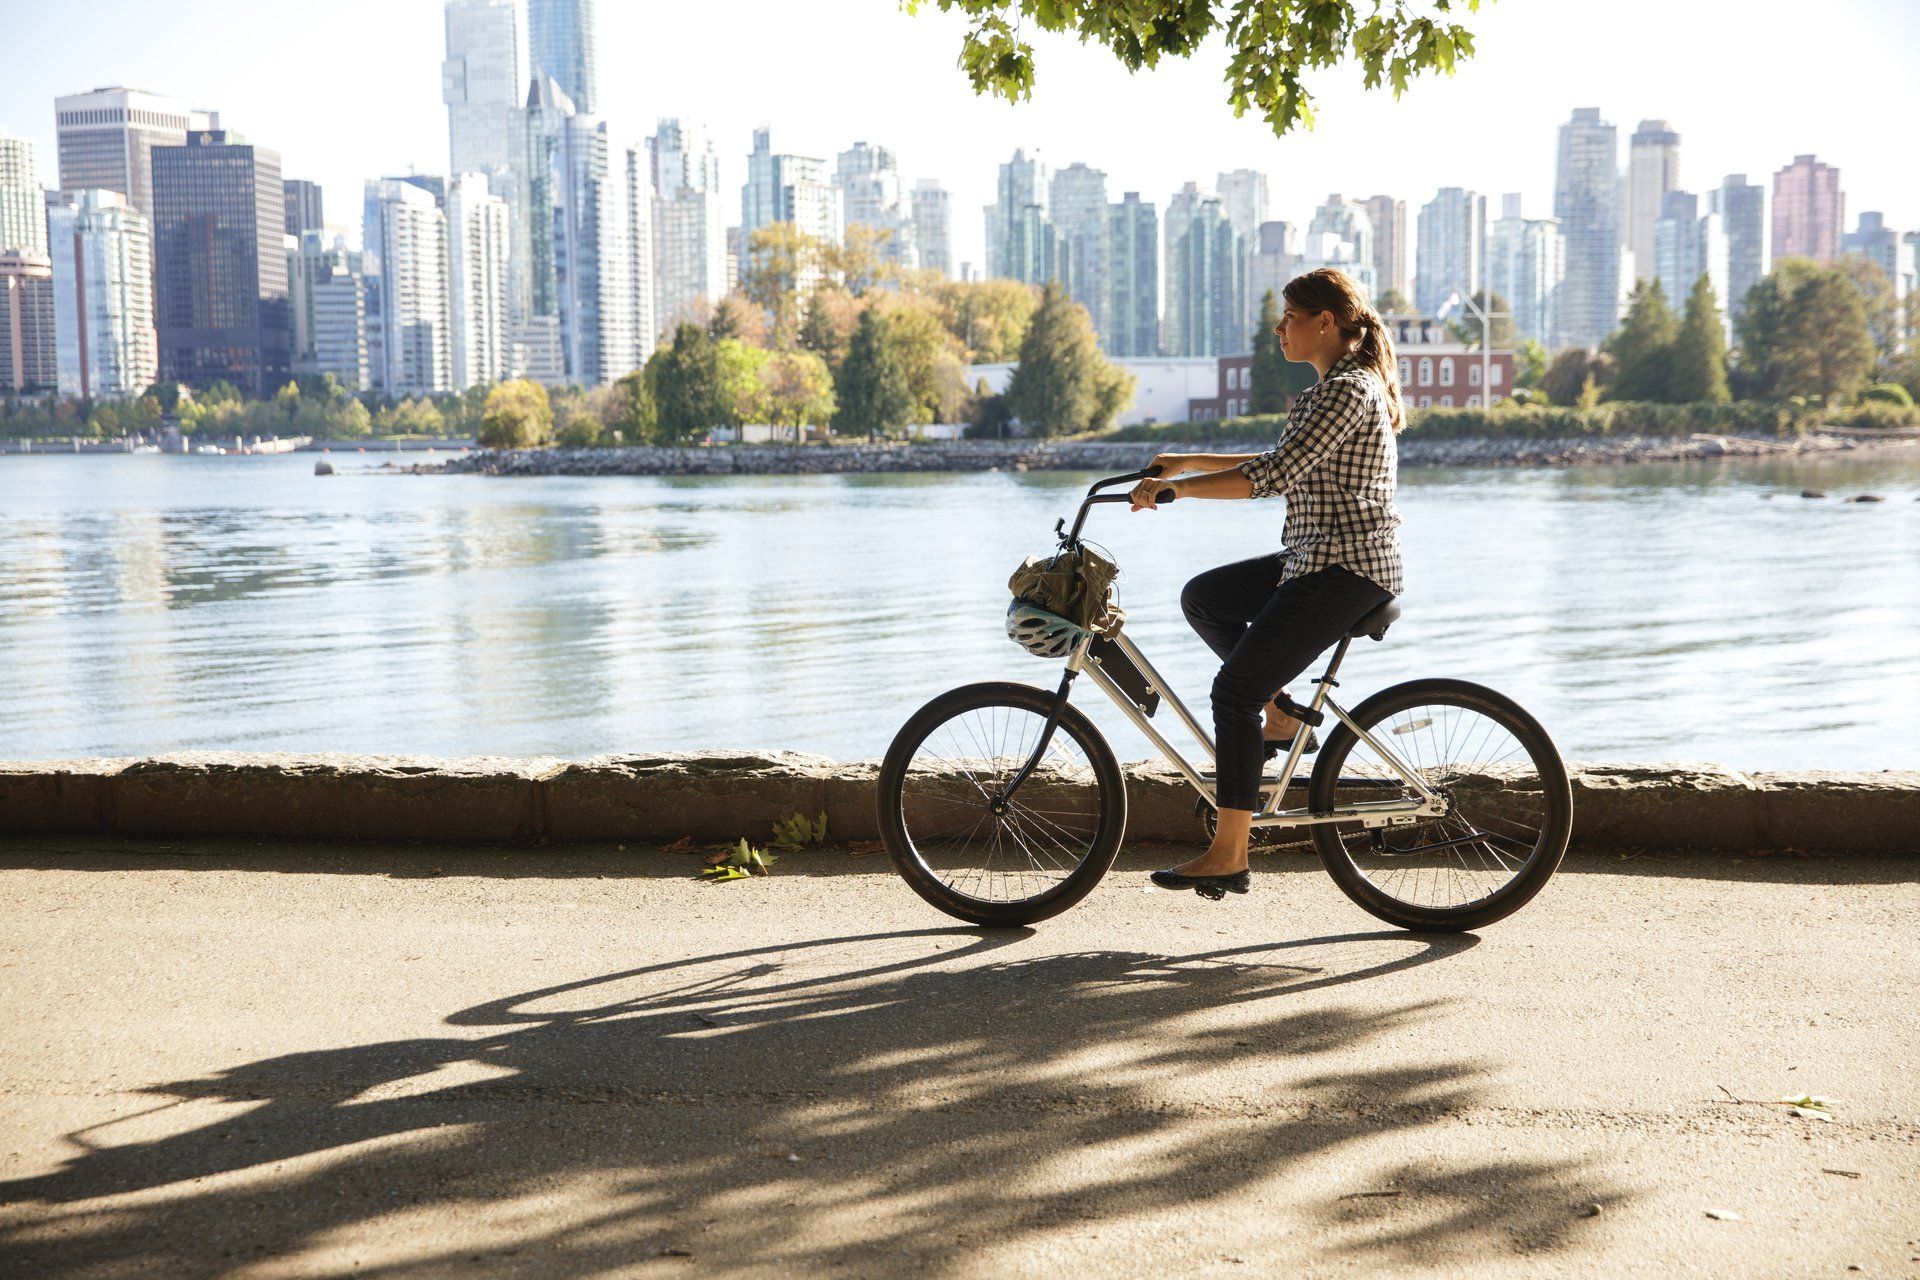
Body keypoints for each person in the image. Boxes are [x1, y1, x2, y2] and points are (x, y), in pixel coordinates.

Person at [1126, 267, 1405, 898]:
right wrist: (1188, 462)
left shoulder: (1346, 391)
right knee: (1206, 598)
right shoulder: (1332, 390)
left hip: (1346, 568)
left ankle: (1229, 853)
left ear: (1325, 323)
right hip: (1315, 557)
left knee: (1232, 693)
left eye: (1289, 318)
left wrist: (1177, 490)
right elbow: (1282, 461)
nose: (1279, 329)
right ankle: (1279, 713)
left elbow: (1273, 475)